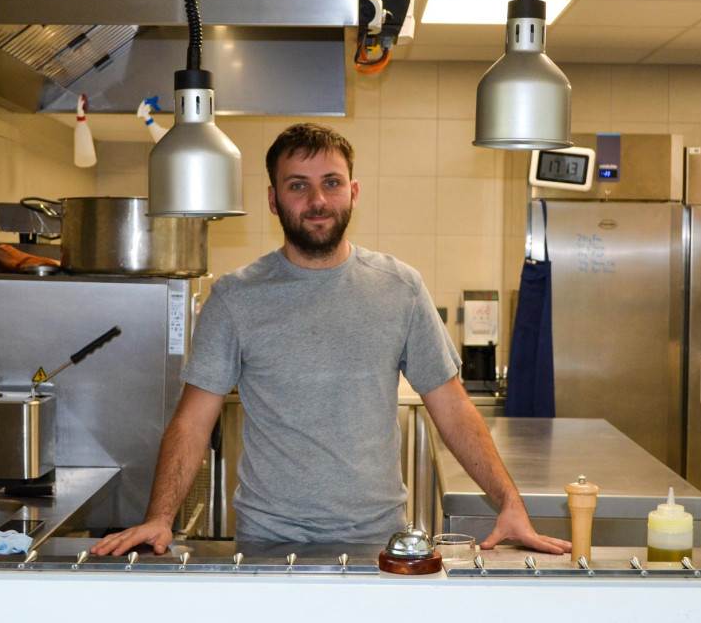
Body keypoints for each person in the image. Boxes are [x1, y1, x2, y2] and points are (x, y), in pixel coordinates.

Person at [91, 123, 571, 556]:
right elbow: (193, 421)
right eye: (298, 186)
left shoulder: (399, 287)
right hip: (268, 544)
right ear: (274, 200)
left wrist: (510, 502)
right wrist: (159, 516)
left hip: (376, 541)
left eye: (331, 183)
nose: (317, 201)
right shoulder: (236, 297)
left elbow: (452, 405)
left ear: (353, 192)